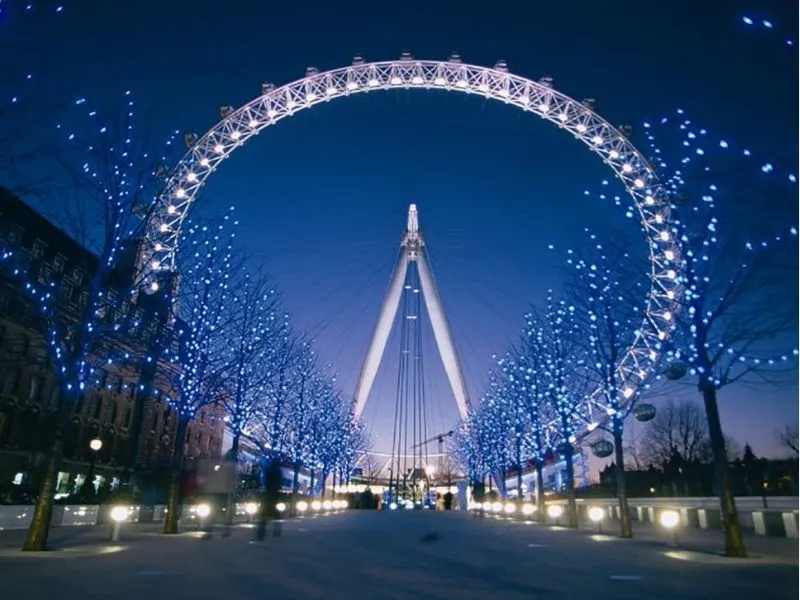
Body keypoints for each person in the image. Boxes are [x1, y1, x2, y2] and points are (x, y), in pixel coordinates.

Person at [256, 456, 283, 540]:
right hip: (274, 494)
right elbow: (279, 483)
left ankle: (261, 532)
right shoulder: (278, 471)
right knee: (276, 514)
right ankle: (276, 530)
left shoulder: (268, 470)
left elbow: (265, 481)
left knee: (263, 514)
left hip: (268, 493)